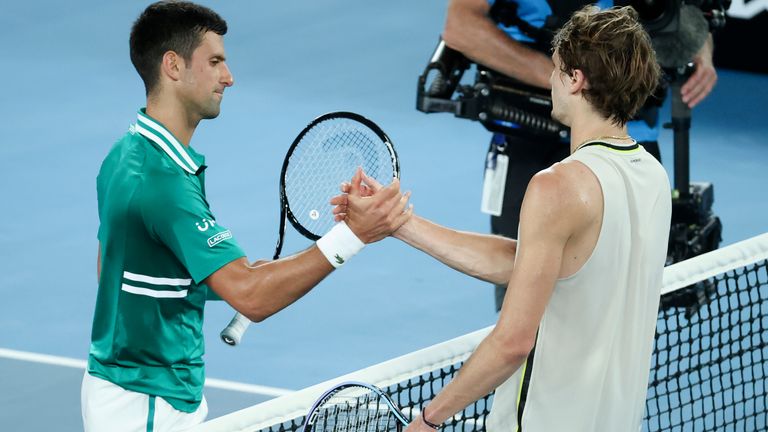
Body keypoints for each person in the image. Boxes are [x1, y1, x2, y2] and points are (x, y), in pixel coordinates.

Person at [335, 5, 671, 430]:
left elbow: (512, 343)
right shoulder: (653, 176)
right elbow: (541, 265)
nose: (550, 80)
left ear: (575, 80)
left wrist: (429, 420)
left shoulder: (558, 186)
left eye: (556, 69)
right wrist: (398, 223)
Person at [81, 2, 411, 431]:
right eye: (215, 61)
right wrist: (352, 236)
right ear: (173, 66)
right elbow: (252, 298)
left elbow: (117, 264)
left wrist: (241, 274)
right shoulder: (162, 182)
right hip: (147, 402)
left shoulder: (128, 155)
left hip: (132, 389)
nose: (228, 77)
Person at [441, 0, 716, 311]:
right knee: (524, 294)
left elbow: (687, 10)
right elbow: (461, 27)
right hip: (525, 135)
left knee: (622, 302)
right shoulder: (567, 80)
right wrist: (569, 79)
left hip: (627, 137)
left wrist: (697, 44)